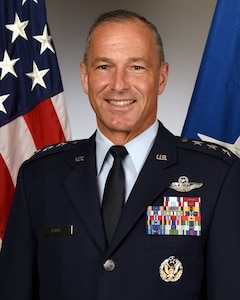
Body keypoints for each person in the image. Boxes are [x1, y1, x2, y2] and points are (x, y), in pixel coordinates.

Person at [0, 9, 240, 300]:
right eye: (104, 67)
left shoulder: (218, 176)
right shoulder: (39, 176)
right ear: (85, 77)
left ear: (161, 78)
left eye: (136, 67)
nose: (118, 84)